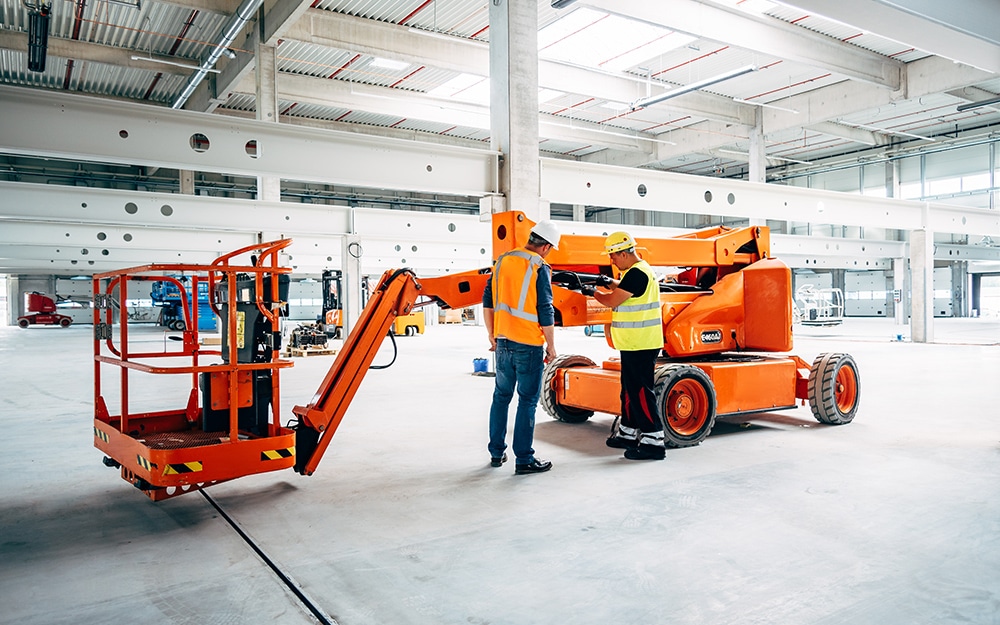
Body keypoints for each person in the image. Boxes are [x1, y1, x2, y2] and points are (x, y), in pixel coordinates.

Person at [482, 219, 560, 475]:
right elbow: (545, 308)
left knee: (501, 397)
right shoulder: (539, 265)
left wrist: (492, 335)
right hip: (528, 343)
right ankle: (524, 459)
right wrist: (551, 346)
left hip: (502, 342)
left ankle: (496, 452)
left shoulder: (503, 261)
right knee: (527, 401)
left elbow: (487, 301)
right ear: (546, 246)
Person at [582, 231, 666, 460]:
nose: (612, 260)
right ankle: (628, 433)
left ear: (624, 253)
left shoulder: (637, 273)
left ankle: (653, 442)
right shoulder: (638, 271)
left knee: (641, 392)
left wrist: (594, 292)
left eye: (613, 256)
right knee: (629, 390)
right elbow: (626, 290)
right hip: (634, 343)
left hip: (641, 344)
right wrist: (609, 282)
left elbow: (612, 300)